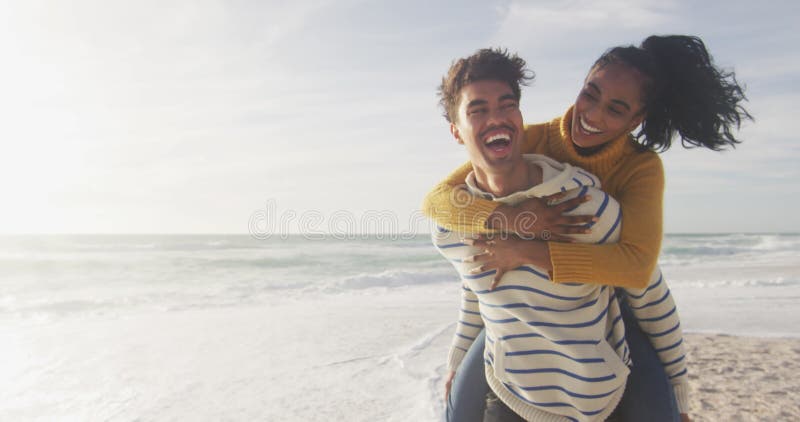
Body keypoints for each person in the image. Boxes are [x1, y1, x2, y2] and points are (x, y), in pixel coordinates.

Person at [429, 36, 750, 421]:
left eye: (615, 109)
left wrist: (526, 251)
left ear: (636, 120)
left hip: (617, 304)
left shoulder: (634, 172)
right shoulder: (532, 138)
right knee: (456, 406)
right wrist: (507, 220)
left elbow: (638, 271)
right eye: (590, 94)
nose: (593, 115)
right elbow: (439, 201)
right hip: (518, 344)